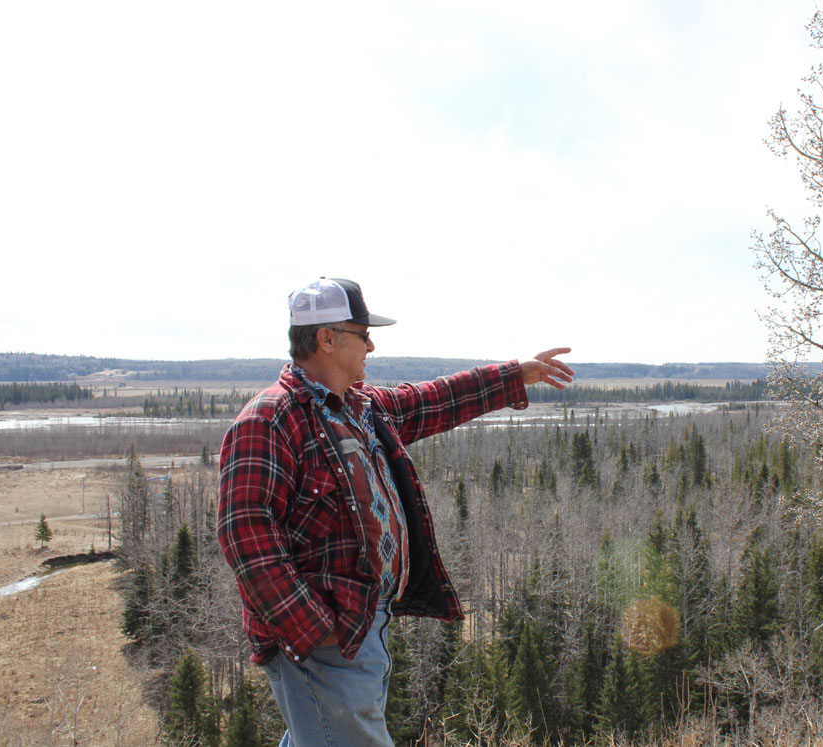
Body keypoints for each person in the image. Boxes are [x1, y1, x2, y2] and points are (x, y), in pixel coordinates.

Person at [216, 277, 573, 746]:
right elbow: (245, 535)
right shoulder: (269, 419)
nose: (371, 345)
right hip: (326, 639)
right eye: (363, 334)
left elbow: (433, 399)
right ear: (326, 339)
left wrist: (513, 376)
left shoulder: (361, 408)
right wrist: (317, 629)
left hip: (361, 625)